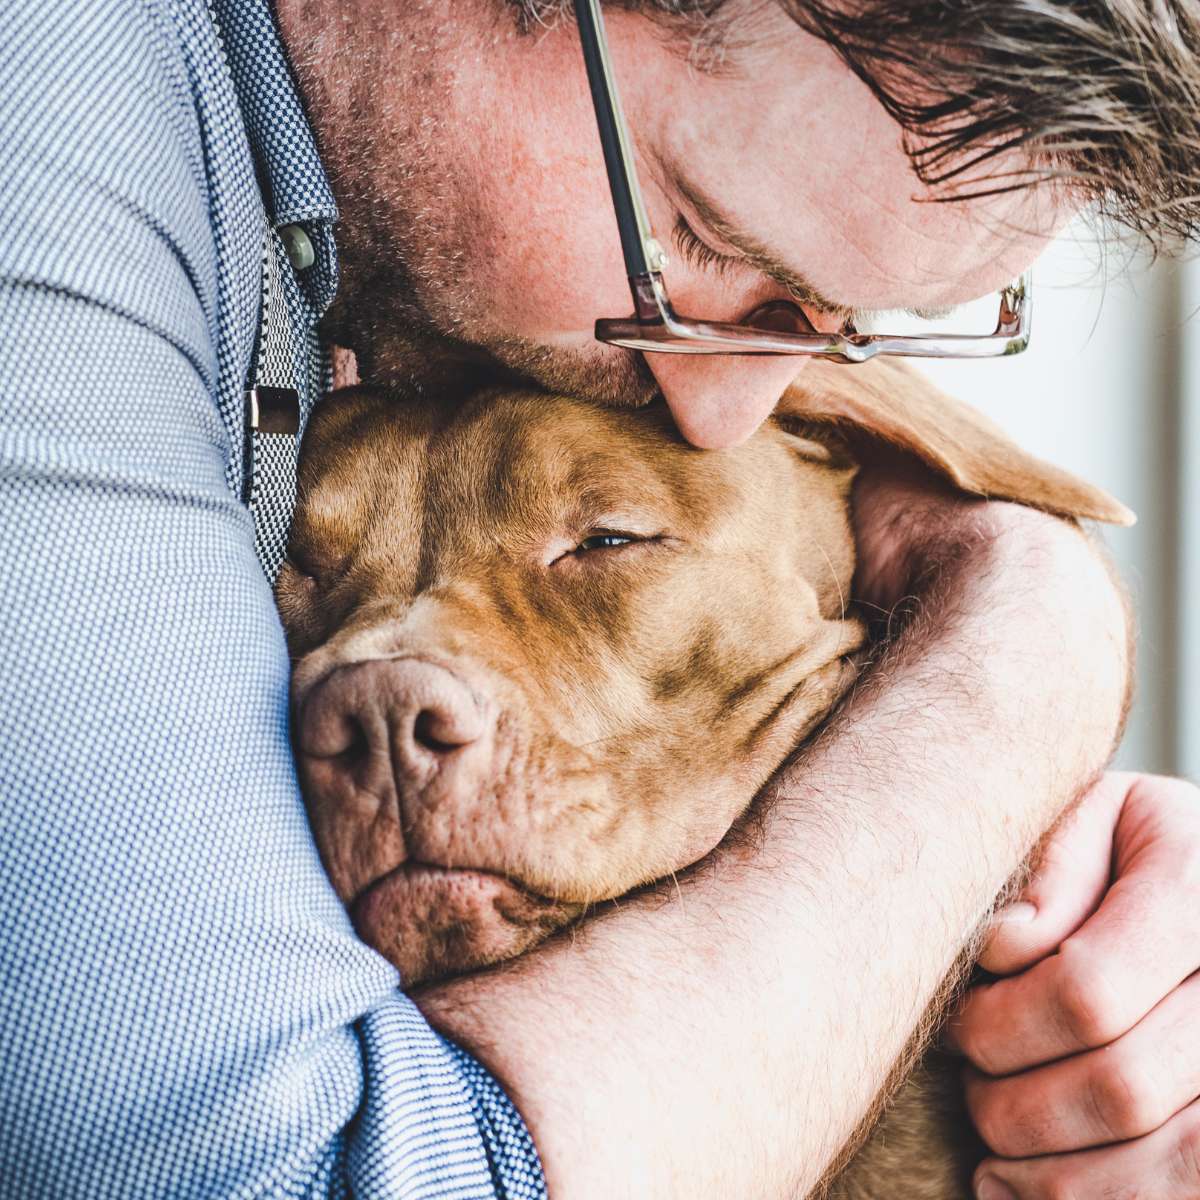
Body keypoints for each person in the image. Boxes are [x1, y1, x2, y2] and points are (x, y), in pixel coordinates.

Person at [0, 1, 1196, 1197]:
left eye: (849, 321)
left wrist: (1069, 928)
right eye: (706, 239)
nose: (725, 409)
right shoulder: (53, 127)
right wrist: (1030, 661)